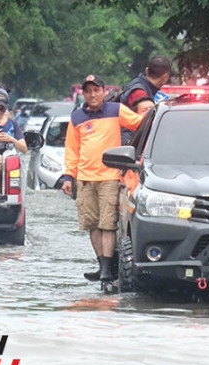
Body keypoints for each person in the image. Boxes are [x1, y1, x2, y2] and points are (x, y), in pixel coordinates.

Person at [59, 74, 144, 282]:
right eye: (88, 91)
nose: (92, 94)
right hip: (85, 178)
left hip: (110, 176)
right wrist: (68, 177)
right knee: (92, 225)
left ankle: (107, 269)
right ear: (84, 94)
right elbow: (72, 149)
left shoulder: (116, 111)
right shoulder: (77, 117)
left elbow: (140, 125)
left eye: (96, 90)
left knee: (107, 224)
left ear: (104, 92)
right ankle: (101, 265)